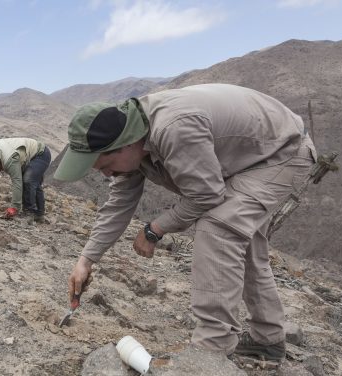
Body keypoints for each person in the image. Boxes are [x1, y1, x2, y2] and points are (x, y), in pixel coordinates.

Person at [54, 83, 317, 361]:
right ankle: (268, 340)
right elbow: (119, 203)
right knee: (245, 243)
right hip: (245, 160)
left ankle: (210, 351)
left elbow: (206, 195)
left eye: (105, 165)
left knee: (218, 227)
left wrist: (154, 230)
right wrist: (85, 260)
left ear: (126, 144)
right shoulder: (132, 136)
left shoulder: (174, 129)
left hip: (283, 153)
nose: (107, 173)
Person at [0, 137, 51, 221]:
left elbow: (17, 182)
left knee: (28, 181)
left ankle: (29, 213)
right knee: (34, 183)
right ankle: (39, 215)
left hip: (41, 154)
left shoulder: (9, 159)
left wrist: (14, 207)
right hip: (35, 155)